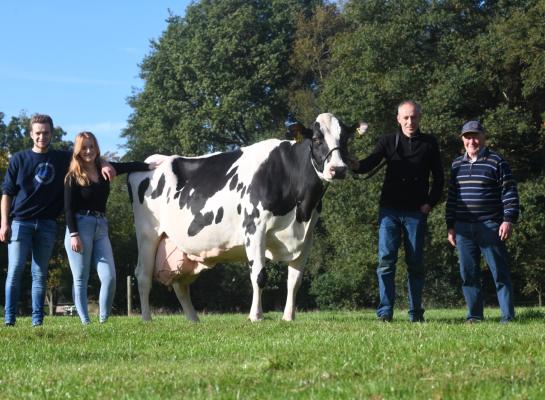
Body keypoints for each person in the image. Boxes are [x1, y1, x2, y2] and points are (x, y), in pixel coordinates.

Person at [1, 114, 115, 326]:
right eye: (38, 133)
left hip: (47, 224)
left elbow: (87, 154)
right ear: (31, 134)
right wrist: (4, 223)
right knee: (15, 270)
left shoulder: (62, 159)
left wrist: (105, 163)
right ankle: (9, 320)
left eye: (46, 133)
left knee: (40, 274)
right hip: (20, 222)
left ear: (51, 134)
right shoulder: (19, 159)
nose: (42, 137)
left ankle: (37, 321)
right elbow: (7, 193)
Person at [351, 100, 444, 322]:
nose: (410, 121)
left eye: (413, 117)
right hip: (389, 212)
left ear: (419, 118)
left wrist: (429, 203)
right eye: (406, 117)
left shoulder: (430, 143)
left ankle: (416, 314)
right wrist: (352, 163)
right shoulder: (387, 141)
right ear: (398, 119)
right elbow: (368, 164)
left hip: (416, 213)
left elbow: (439, 178)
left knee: (415, 264)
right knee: (385, 261)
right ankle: (385, 312)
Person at [64, 131, 155, 324]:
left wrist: (150, 166)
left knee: (110, 277)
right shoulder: (73, 175)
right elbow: (68, 209)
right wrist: (73, 234)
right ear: (78, 151)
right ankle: (85, 322)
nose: (88, 151)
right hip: (80, 227)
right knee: (81, 278)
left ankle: (103, 320)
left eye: (92, 146)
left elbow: (129, 165)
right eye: (84, 148)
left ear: (97, 148)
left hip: (101, 226)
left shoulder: (105, 169)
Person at [446, 121, 519, 323]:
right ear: (462, 139)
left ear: (483, 137)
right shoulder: (456, 165)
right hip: (462, 227)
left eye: (475, 136)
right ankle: (475, 316)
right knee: (468, 274)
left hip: (490, 225)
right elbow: (452, 197)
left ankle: (507, 317)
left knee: (499, 272)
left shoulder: (496, 161)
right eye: (468, 137)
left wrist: (508, 220)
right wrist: (450, 225)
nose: (472, 141)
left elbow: (509, 191)